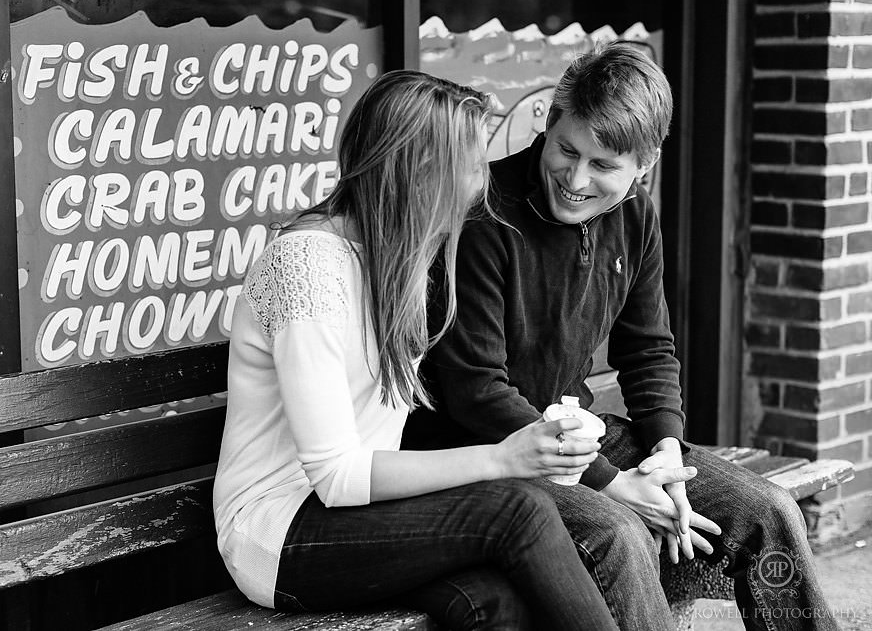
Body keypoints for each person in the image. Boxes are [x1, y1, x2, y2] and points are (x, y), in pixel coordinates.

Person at [405, 41, 839, 631]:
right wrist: (614, 485)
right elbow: (477, 391)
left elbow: (647, 348)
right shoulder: (483, 217)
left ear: (645, 163)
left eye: (604, 165)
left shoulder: (636, 214)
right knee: (624, 535)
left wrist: (666, 455)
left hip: (580, 438)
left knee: (768, 512)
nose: (576, 179)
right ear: (551, 121)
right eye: (566, 149)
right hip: (488, 457)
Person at [213, 70, 620, 630]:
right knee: (518, 509)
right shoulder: (306, 266)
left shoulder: (401, 261)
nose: (484, 185)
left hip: (362, 519)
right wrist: (505, 459)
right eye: (474, 167)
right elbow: (335, 476)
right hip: (280, 533)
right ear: (421, 173)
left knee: (495, 604)